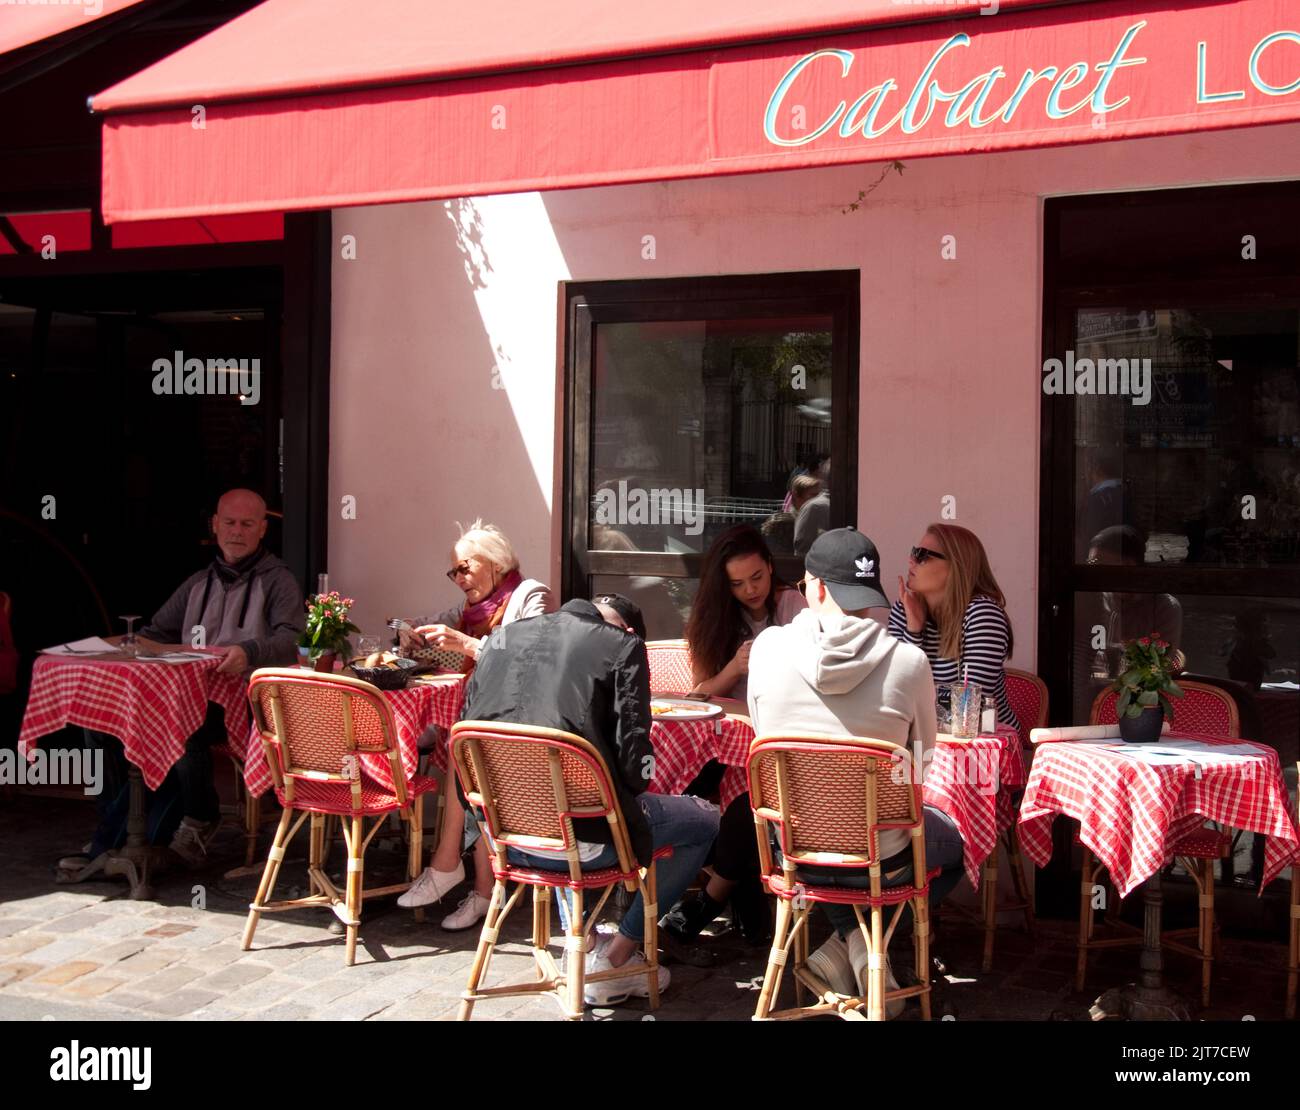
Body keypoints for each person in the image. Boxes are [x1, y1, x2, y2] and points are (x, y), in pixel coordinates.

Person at [450, 592, 719, 1006]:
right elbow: (635, 770)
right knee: (705, 821)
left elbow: (465, 743)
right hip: (583, 843)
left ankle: (585, 940)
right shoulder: (622, 645)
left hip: (506, 841)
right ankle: (618, 957)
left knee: (564, 804)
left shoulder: (502, 638)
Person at [747, 527, 963, 1011]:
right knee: (954, 847)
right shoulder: (910, 661)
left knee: (843, 835)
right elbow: (921, 767)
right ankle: (866, 947)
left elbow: (765, 738)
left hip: (793, 848)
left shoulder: (766, 649)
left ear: (815, 588)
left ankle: (849, 948)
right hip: (880, 856)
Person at [61, 489, 304, 873]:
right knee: (96, 724)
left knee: (181, 724)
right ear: (215, 525)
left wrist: (249, 652)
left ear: (262, 530)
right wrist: (83, 650)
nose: (236, 531)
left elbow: (294, 639)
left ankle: (199, 816)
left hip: (244, 700)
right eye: (229, 523)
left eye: (246, 524)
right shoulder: (198, 582)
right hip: (186, 694)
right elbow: (153, 633)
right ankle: (113, 828)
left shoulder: (278, 581)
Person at [397, 520, 556, 928]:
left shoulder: (531, 595)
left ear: (496, 563)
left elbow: (531, 657)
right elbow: (435, 634)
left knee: (469, 749)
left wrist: (468, 644)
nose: (458, 578)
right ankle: (483, 891)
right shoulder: (468, 611)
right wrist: (411, 635)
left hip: (530, 722)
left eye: (465, 568)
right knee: (467, 746)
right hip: (487, 723)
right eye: (454, 572)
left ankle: (450, 867)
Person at [662, 525, 806, 944]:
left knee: (751, 793)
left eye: (757, 577)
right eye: (738, 583)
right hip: (722, 740)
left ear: (770, 568)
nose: (750, 590)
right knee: (679, 791)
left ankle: (710, 897)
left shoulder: (793, 607)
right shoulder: (716, 617)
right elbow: (698, 693)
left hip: (778, 740)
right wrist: (735, 669)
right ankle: (738, 887)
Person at [889, 522, 1020, 735]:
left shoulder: (983, 614)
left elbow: (968, 708)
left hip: (981, 746)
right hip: (926, 740)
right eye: (914, 551)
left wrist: (913, 707)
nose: (911, 560)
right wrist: (913, 631)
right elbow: (894, 691)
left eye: (922, 555)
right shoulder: (904, 608)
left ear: (956, 566)